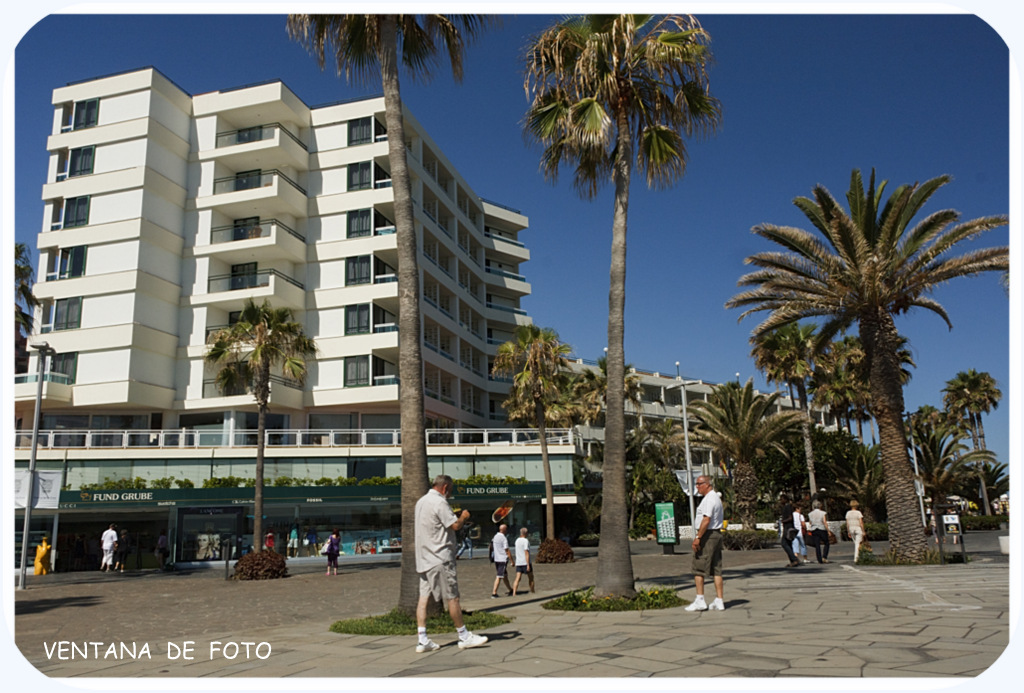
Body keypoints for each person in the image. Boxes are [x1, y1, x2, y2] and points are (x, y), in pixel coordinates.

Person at [413, 474, 487, 652]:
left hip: (423, 559)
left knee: (423, 599)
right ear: (445, 487)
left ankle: (422, 639)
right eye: (450, 491)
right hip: (440, 558)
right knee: (452, 597)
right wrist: (463, 516)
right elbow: (455, 525)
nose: (450, 494)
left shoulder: (421, 502)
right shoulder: (439, 502)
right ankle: (464, 636)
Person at [685, 475, 725, 611]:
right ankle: (719, 600)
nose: (697, 487)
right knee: (716, 568)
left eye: (699, 484)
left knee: (699, 566)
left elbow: (706, 520)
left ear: (707, 484)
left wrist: (698, 537)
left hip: (708, 535)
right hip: (717, 534)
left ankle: (700, 599)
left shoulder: (709, 499)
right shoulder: (716, 498)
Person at [490, 524, 513, 598]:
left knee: (504, 575)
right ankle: (494, 593)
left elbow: (491, 546)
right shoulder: (503, 538)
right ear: (504, 530)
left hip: (497, 559)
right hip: (502, 559)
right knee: (499, 576)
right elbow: (507, 550)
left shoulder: (495, 536)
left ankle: (510, 589)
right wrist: (512, 561)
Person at [777, 496, 799, 567]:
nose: (780, 501)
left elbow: (790, 518)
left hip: (788, 528)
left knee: (784, 543)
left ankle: (794, 559)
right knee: (789, 544)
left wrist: (783, 521)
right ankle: (793, 561)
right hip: (787, 528)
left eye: (782, 499)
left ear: (785, 500)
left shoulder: (787, 507)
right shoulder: (786, 507)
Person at [512, 527, 534, 595]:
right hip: (525, 562)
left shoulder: (517, 540)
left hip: (518, 562)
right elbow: (526, 552)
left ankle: (514, 593)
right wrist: (528, 564)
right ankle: (532, 591)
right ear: (526, 533)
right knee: (531, 577)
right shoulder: (525, 541)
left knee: (517, 578)